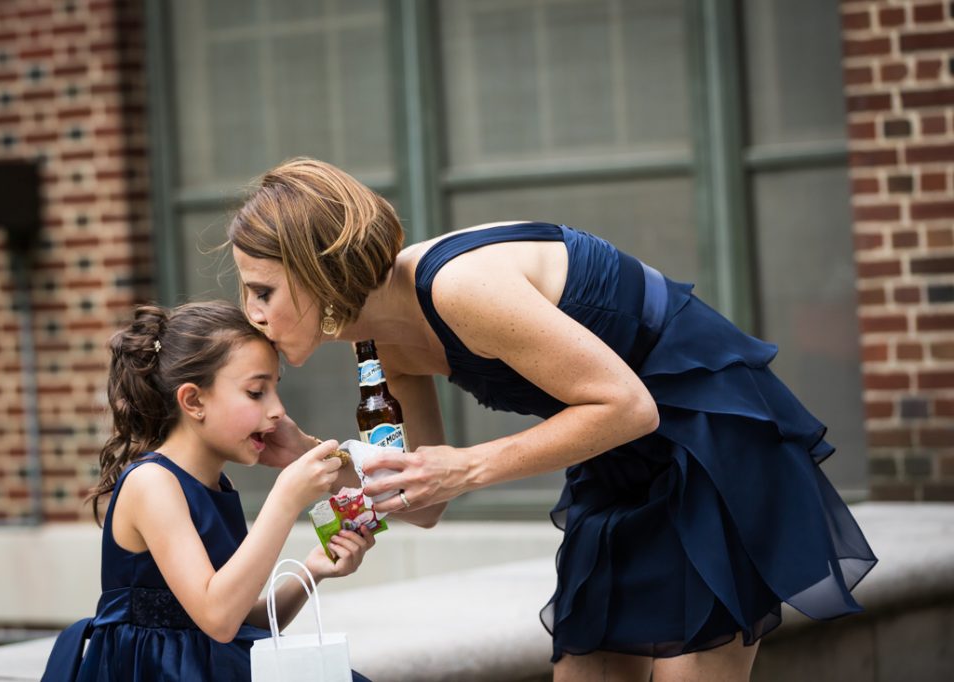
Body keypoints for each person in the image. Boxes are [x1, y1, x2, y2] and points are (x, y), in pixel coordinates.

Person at [227, 157, 877, 682]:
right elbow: (423, 504)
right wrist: (310, 455)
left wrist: (470, 467)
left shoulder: (458, 285)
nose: (250, 313)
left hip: (708, 436)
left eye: (263, 291)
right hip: (618, 460)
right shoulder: (378, 347)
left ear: (320, 273)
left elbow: (629, 404)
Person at [42, 301, 374, 682]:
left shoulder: (217, 485)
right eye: (255, 392)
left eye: (274, 390)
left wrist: (312, 572)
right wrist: (285, 499)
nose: (279, 410)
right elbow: (217, 618)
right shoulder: (152, 483)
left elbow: (235, 620)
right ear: (194, 401)